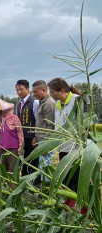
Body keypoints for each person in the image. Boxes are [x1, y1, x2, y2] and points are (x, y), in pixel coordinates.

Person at [47, 78, 82, 206]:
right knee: (66, 179)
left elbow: (85, 124)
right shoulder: (58, 105)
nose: (51, 95)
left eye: (52, 92)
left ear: (62, 90)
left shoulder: (78, 101)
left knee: (78, 180)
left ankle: (85, 210)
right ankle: (69, 208)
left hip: (77, 149)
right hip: (63, 148)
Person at [0, 98, 23, 189]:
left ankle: (14, 190)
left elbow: (20, 132)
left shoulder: (14, 118)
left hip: (12, 149)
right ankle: (6, 190)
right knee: (3, 171)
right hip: (0, 150)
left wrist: (21, 147)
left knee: (12, 171)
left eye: (0, 110)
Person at [15, 79, 40, 185]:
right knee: (24, 160)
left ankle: (36, 182)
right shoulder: (18, 104)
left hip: (31, 137)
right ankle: (25, 181)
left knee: (33, 159)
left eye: (21, 89)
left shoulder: (34, 102)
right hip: (22, 137)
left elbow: (38, 119)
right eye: (17, 90)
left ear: (27, 89)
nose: (19, 92)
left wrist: (36, 135)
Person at [32, 80, 55, 183]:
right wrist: (36, 136)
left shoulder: (49, 103)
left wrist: (47, 145)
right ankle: (44, 189)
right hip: (41, 139)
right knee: (42, 166)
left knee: (45, 167)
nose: (34, 94)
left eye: (36, 92)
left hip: (46, 140)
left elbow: (51, 126)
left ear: (44, 90)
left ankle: (46, 189)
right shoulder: (42, 102)